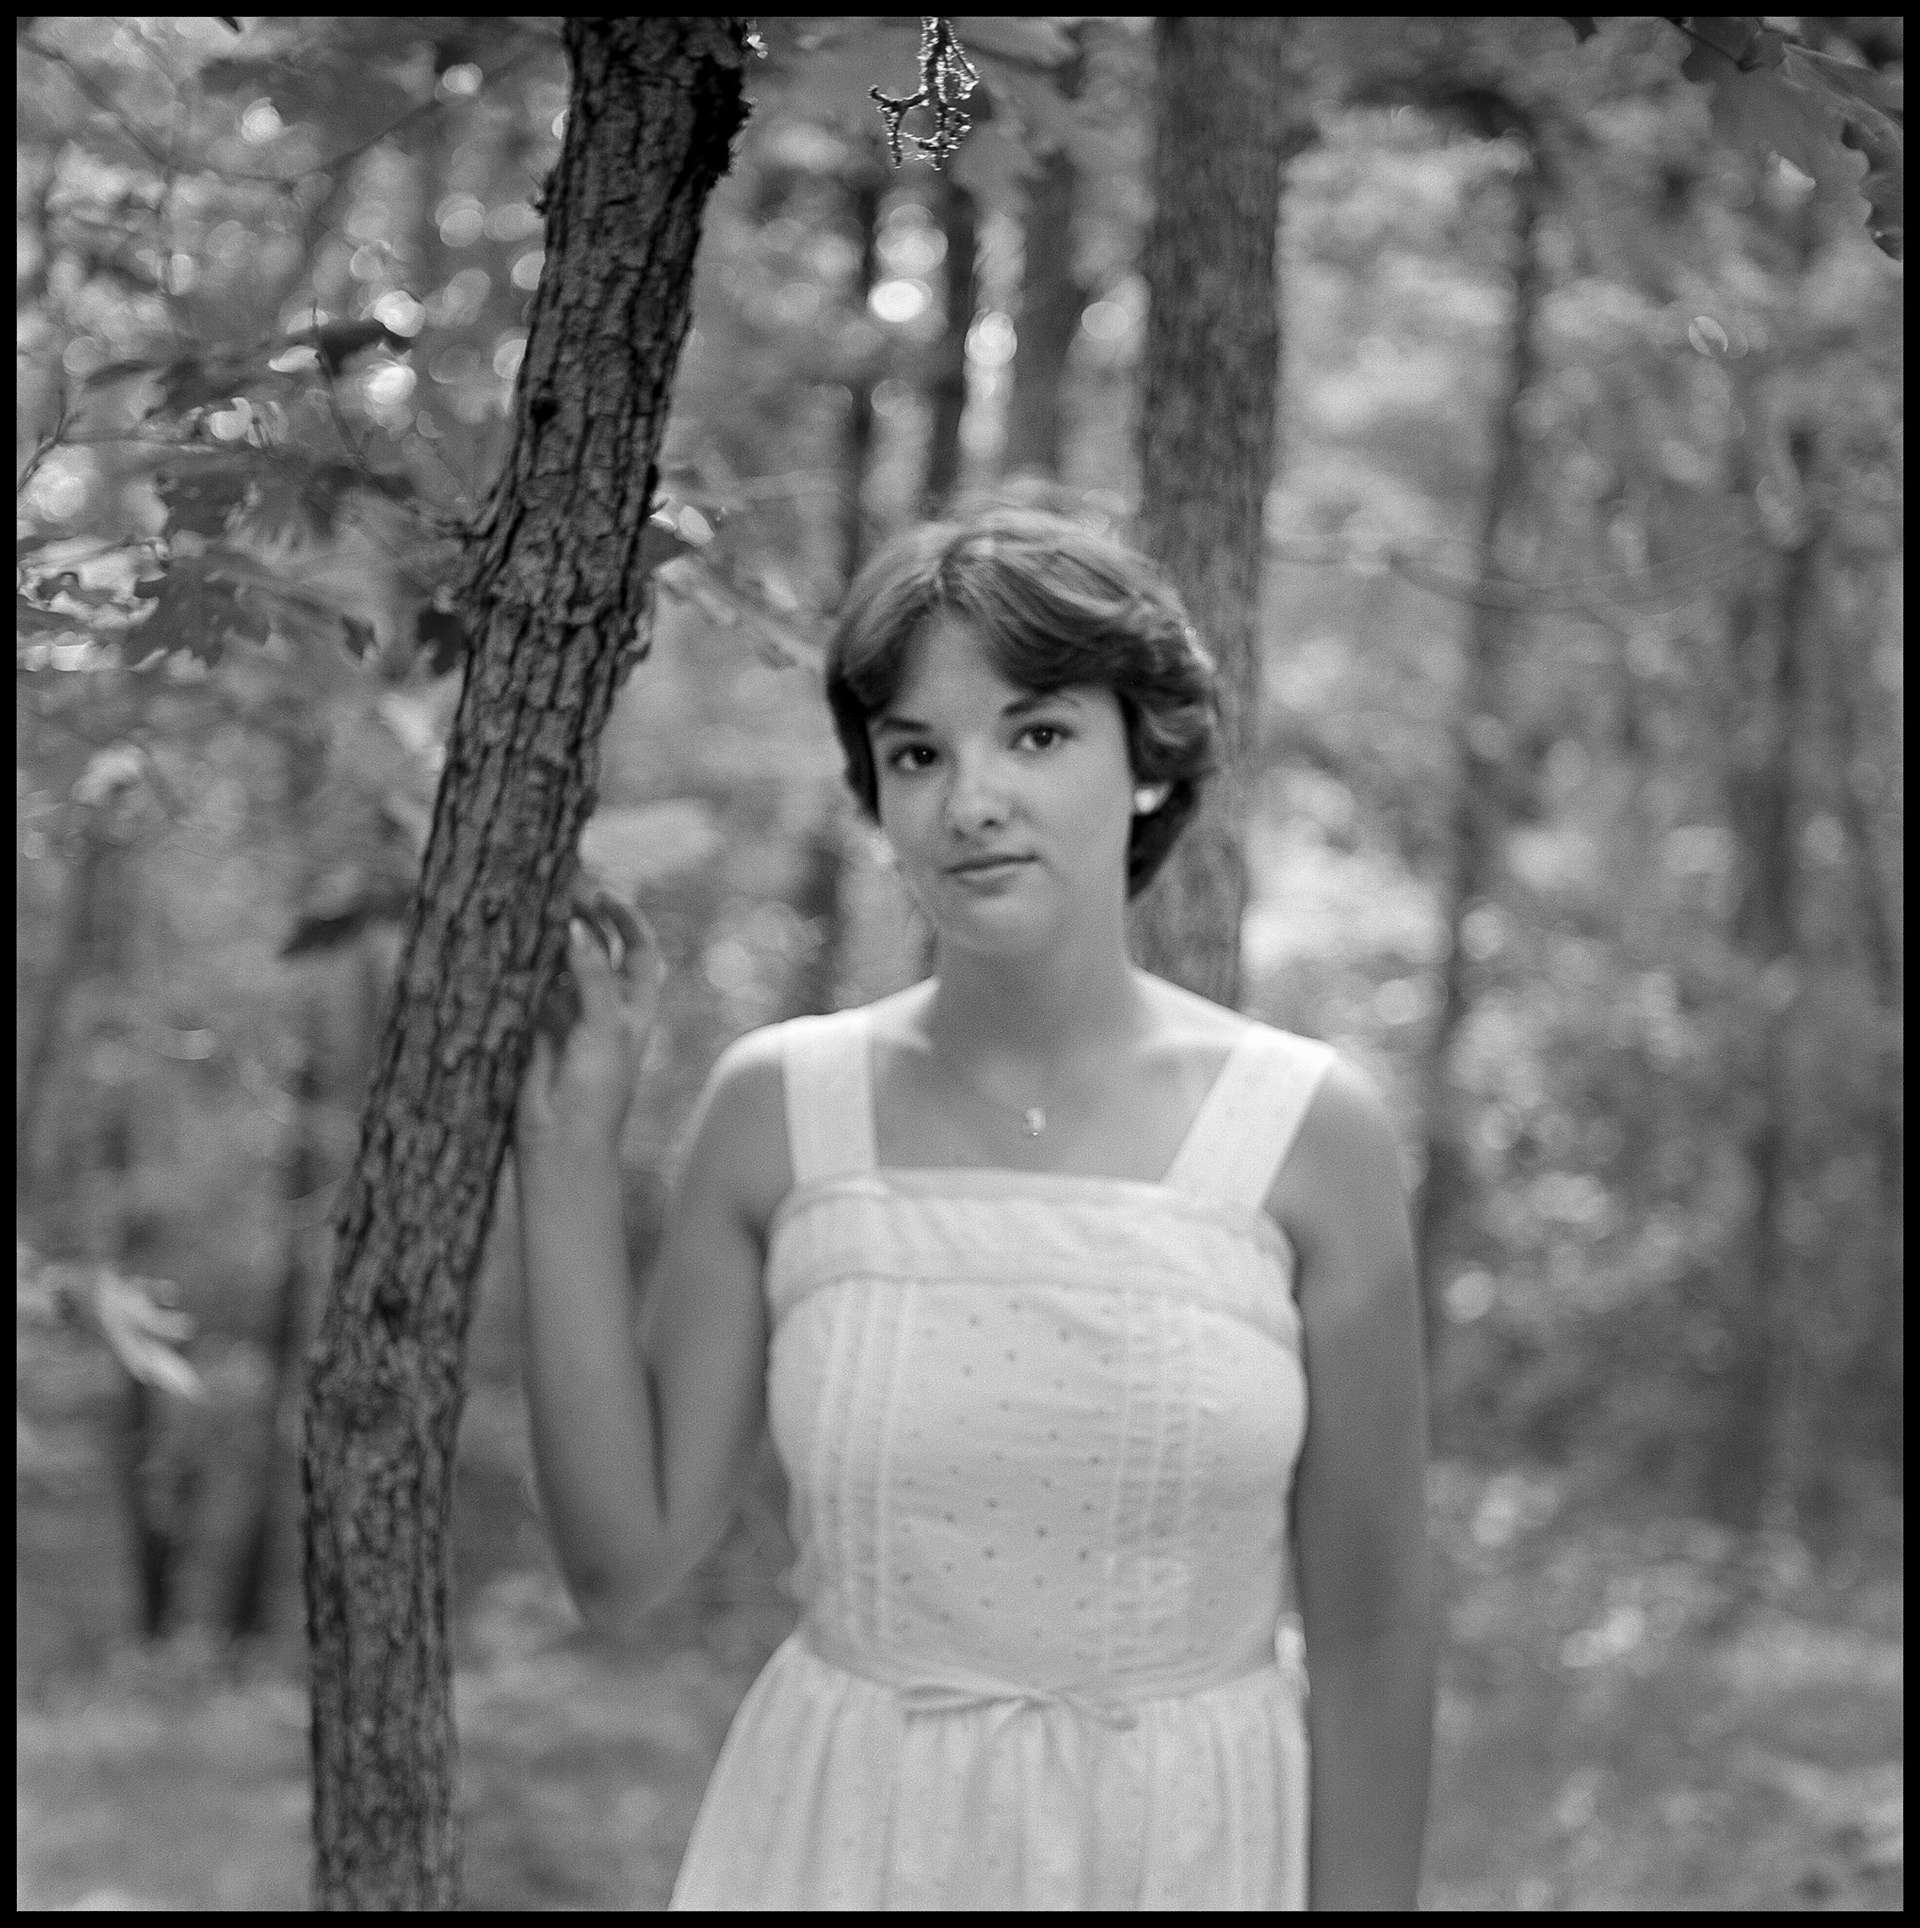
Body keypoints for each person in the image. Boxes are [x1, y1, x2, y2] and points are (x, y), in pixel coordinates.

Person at [513, 506, 1434, 1910]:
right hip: (844, 1850)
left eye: (1037, 734)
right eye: (918, 754)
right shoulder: (781, 1112)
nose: (972, 800)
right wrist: (568, 1149)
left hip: (1186, 1855)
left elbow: (1372, 1636)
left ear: (1147, 760)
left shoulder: (1308, 1133)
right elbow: (621, 1564)